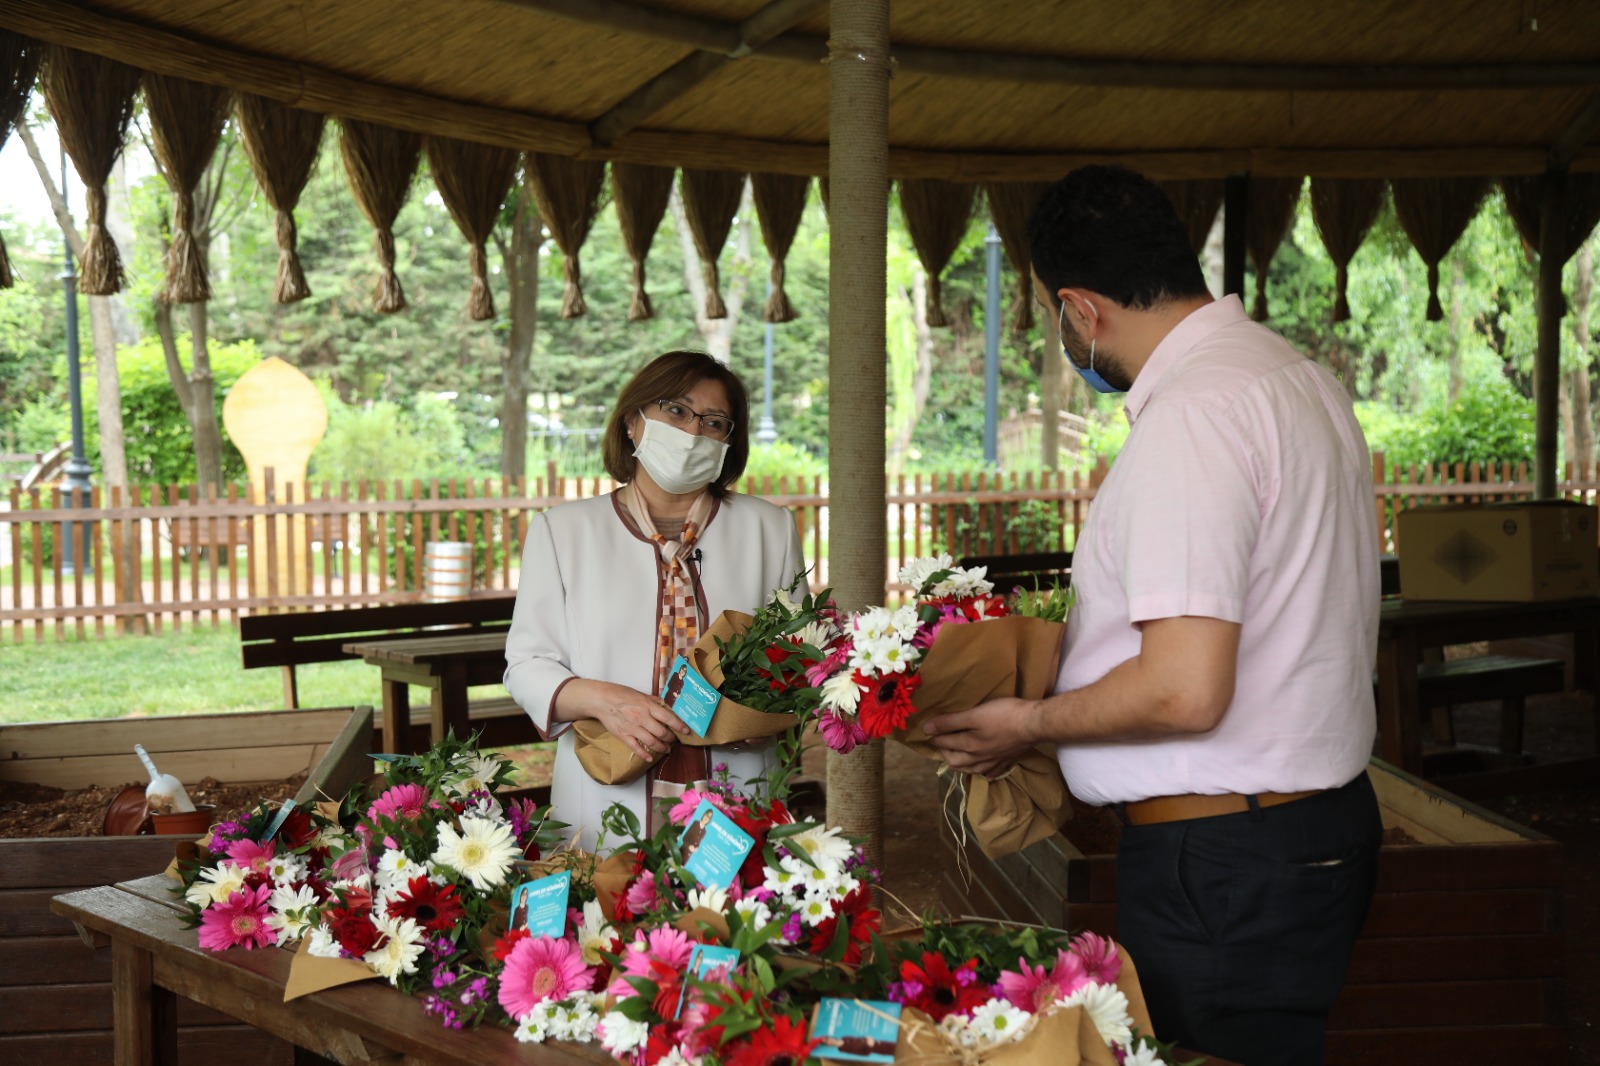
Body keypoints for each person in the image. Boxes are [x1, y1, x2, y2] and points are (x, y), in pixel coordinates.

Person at [924, 165, 1382, 1066]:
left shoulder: (1196, 415)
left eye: (1056, 318)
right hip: (1299, 832)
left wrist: (1027, 723)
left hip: (1223, 858)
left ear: (1079, 309)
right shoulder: (1296, 376)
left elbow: (1183, 690)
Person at [504, 351, 804, 850]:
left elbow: (799, 653)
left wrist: (767, 710)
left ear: (729, 443)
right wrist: (608, 702)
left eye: (714, 422)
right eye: (676, 411)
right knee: (608, 896)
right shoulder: (562, 531)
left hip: (739, 784)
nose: (692, 432)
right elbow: (527, 665)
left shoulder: (769, 528)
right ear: (632, 421)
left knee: (739, 898)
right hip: (606, 789)